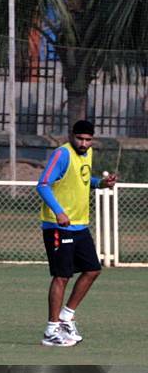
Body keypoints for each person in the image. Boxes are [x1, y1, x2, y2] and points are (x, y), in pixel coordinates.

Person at [36, 120, 117, 347]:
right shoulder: (62, 154)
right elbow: (43, 184)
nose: (84, 143)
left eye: (88, 139)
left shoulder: (87, 153)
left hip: (80, 225)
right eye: (80, 138)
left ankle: (65, 317)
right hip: (58, 226)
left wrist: (101, 183)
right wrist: (59, 212)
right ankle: (51, 331)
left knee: (92, 270)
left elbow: (81, 181)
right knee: (62, 276)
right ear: (72, 136)